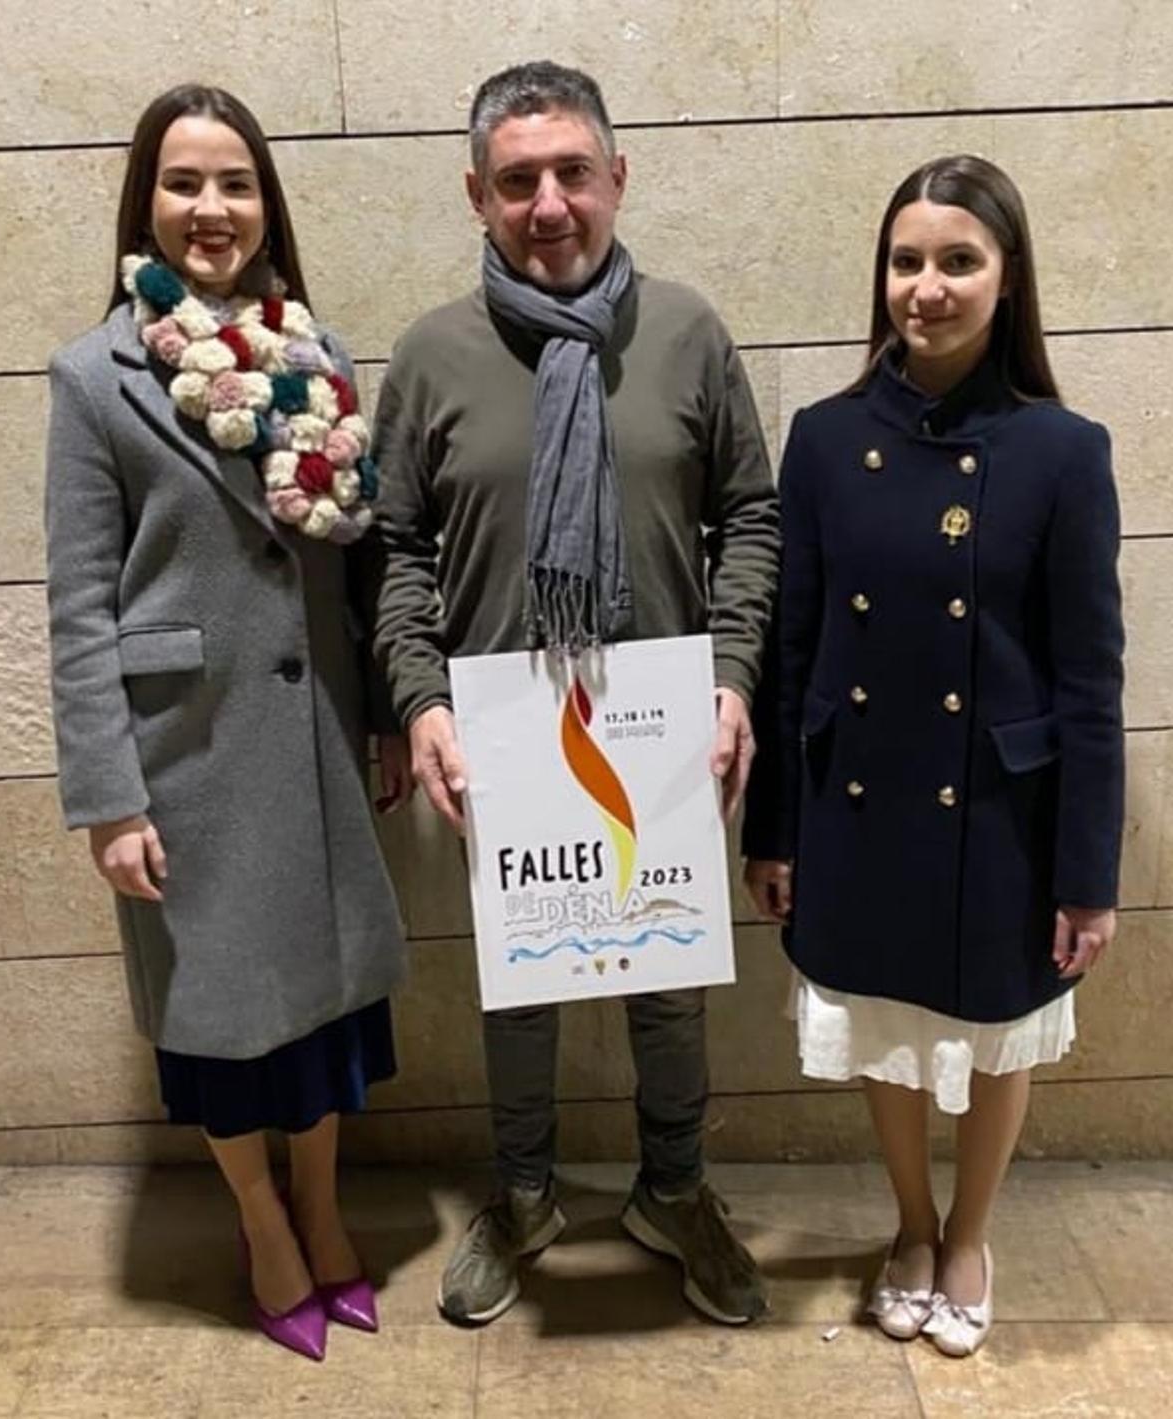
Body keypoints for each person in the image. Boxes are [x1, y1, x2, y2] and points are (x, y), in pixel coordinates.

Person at [374, 61, 780, 1327]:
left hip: (662, 723)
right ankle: (524, 1194)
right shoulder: (435, 355)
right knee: (524, 987)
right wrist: (419, 699)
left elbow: (751, 516)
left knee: (668, 983)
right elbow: (394, 548)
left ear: (618, 176)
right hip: (507, 729)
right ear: (477, 196)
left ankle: (673, 1190)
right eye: (516, 181)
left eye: (571, 173)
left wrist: (730, 677)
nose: (548, 204)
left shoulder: (690, 334)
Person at [44, 84, 409, 1361]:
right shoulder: (94, 379)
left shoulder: (319, 359)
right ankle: (261, 1221)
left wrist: (380, 720)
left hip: (313, 746)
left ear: (268, 204)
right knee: (224, 1019)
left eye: (236, 183)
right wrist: (107, 797)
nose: (213, 209)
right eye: (186, 182)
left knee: (319, 1012)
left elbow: (354, 569)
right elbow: (81, 601)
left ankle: (321, 1202)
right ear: (146, 199)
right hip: (185, 755)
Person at [743, 154, 1124, 1357]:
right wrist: (774, 830)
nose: (928, 286)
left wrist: (1087, 871)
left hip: (1004, 809)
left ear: (1006, 282)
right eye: (907, 261)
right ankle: (909, 1226)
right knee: (885, 1027)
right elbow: (792, 644)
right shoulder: (822, 438)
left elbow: (1089, 679)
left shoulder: (1065, 451)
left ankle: (969, 1234)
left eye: (958, 260)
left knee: (999, 1029)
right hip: (855, 793)